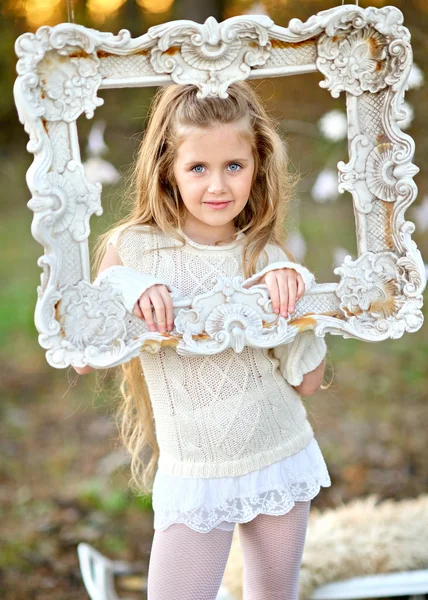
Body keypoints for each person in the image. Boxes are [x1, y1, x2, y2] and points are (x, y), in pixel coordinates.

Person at [73, 80, 331, 600]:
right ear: (168, 169)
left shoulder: (264, 255)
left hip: (278, 450)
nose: (219, 186)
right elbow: (84, 354)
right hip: (194, 469)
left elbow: (308, 382)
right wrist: (128, 286)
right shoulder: (134, 250)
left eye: (234, 166)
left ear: (257, 165)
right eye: (198, 168)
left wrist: (298, 301)